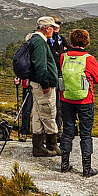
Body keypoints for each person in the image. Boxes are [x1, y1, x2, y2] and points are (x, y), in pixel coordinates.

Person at [56, 28, 98, 177]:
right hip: (85, 100)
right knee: (86, 134)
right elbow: (97, 78)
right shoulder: (89, 59)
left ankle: (64, 164)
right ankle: (86, 169)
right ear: (86, 41)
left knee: (68, 131)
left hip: (66, 98)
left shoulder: (64, 57)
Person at [25, 17, 61, 156]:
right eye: (52, 27)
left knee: (38, 114)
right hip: (43, 86)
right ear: (47, 28)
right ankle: (52, 145)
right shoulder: (40, 42)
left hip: (36, 84)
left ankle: (38, 146)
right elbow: (40, 66)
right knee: (48, 112)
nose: (54, 30)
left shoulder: (35, 40)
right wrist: (46, 83)